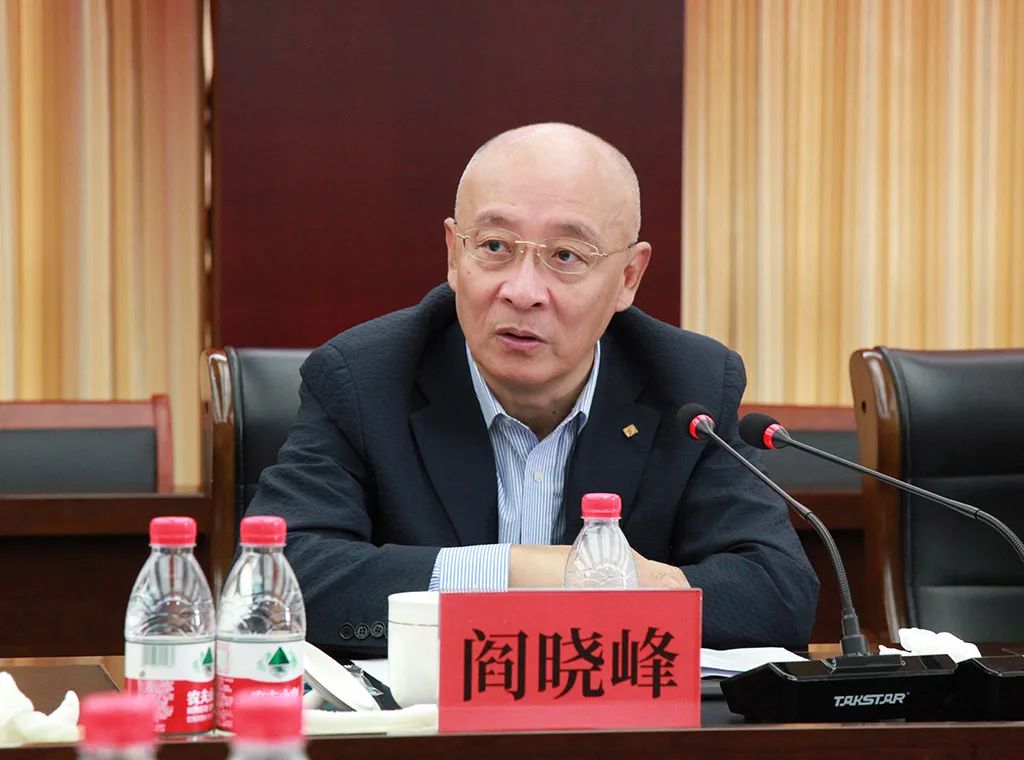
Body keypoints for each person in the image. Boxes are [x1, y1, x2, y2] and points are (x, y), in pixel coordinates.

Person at [246, 123, 819, 658]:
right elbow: (278, 584)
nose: (522, 292)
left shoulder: (689, 386)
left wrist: (639, 584)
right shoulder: (364, 378)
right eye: (495, 246)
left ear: (628, 278)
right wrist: (519, 570)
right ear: (454, 254)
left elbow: (777, 596)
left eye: (567, 256)